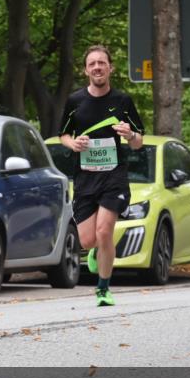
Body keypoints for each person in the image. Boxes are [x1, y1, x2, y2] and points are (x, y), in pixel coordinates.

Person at [59, 45, 145, 307]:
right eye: (92, 64)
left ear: (110, 68)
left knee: (105, 230)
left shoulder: (122, 101)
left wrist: (130, 134)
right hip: (85, 178)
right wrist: (73, 144)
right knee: (88, 240)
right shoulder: (75, 101)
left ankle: (103, 289)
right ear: (86, 70)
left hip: (113, 177)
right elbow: (63, 135)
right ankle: (97, 250)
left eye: (102, 63)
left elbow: (138, 142)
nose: (97, 67)